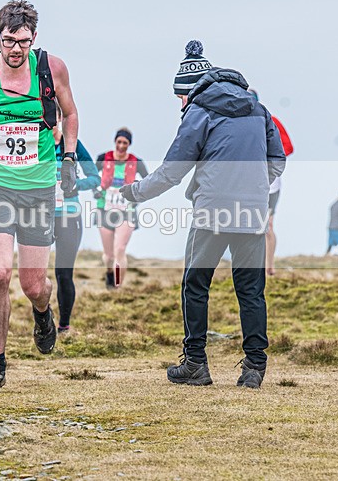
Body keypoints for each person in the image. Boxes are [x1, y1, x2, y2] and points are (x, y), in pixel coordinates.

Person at [120, 40, 286, 389]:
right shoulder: (259, 108)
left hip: (212, 211)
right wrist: (253, 187)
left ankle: (195, 364)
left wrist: (135, 192)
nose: (181, 104)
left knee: (195, 285)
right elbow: (278, 160)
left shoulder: (199, 111)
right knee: (251, 290)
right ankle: (254, 368)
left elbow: (172, 171)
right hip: (253, 212)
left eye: (180, 97)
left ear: (189, 90)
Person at [0, 0, 80, 393]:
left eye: (23, 41)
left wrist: (69, 158)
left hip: (39, 189)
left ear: (34, 39)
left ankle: (43, 314)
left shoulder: (52, 69)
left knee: (34, 285)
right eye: (9, 41)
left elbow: (71, 114)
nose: (16, 49)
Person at [53, 108, 100, 334]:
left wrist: (74, 185)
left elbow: (94, 178)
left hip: (69, 215)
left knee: (63, 273)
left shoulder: (72, 145)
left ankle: (64, 326)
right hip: (40, 216)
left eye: (54, 115)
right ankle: (42, 324)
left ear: (61, 119)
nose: (50, 120)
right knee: (34, 274)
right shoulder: (35, 143)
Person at [94, 129, 149, 288]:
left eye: (125, 143)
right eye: (119, 142)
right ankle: (110, 272)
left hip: (127, 211)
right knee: (109, 255)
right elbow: (91, 175)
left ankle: (117, 287)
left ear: (129, 144)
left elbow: (148, 182)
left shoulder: (136, 162)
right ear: (115, 142)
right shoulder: (103, 159)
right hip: (104, 209)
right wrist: (95, 191)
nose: (121, 145)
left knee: (120, 249)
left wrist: (138, 197)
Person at [248, 89, 294, 276]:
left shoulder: (272, 121)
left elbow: (288, 147)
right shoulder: (238, 124)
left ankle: (269, 266)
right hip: (248, 184)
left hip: (271, 185)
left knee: (268, 227)